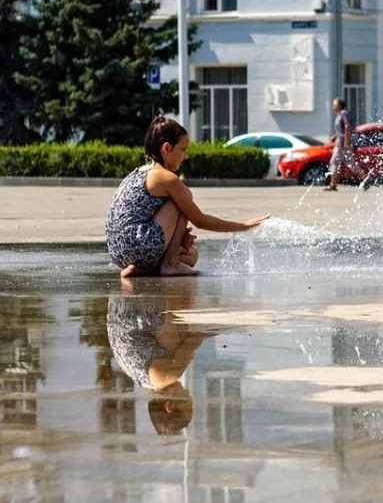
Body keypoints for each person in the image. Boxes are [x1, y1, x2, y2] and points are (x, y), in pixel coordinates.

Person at [106, 115, 269, 277]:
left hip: (119, 253)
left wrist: (179, 237)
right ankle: (170, 263)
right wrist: (243, 226)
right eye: (183, 149)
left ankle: (142, 268)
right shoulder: (165, 177)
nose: (186, 156)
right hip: (138, 244)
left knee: (191, 256)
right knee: (183, 197)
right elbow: (200, 220)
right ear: (167, 148)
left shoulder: (139, 172)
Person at [106, 279, 214, 435]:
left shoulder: (164, 378)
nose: (190, 395)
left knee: (179, 345)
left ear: (169, 405)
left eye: (187, 402)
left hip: (140, 306)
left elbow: (193, 339)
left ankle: (173, 288)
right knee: (174, 348)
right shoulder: (144, 382)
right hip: (119, 305)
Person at [324, 97, 370, 192]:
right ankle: (366, 178)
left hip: (342, 143)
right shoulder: (340, 114)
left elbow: (347, 126)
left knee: (335, 162)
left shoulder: (344, 113)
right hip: (340, 141)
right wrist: (335, 136)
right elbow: (341, 129)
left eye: (334, 105)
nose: (333, 107)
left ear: (339, 105)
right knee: (349, 163)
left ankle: (332, 184)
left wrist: (346, 141)